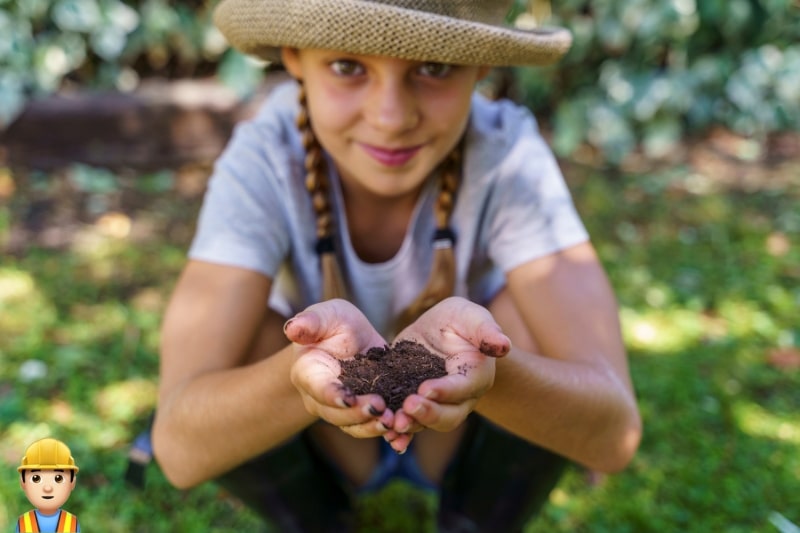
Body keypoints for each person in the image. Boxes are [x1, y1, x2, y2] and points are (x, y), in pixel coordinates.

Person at [151, 0, 642, 531]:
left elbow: (613, 437)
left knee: (528, 321)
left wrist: (491, 374)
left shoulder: (506, 153)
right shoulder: (265, 158)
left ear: (481, 67)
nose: (390, 117)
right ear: (294, 58)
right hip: (326, 438)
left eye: (434, 68)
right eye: (347, 66)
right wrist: (298, 380)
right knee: (247, 339)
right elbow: (178, 451)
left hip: (458, 436)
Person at [17, 438, 80, 533]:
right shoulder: (23, 523)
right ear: (23, 482)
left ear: (72, 482)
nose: (47, 488)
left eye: (58, 478)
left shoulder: (72, 522)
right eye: (36, 478)